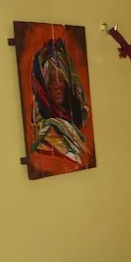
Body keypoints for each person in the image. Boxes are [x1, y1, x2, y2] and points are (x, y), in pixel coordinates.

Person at [29, 37, 92, 166]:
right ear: (44, 87)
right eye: (51, 80)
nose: (57, 86)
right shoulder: (48, 132)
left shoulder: (77, 120)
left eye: (61, 79)